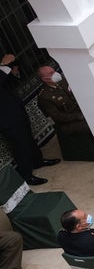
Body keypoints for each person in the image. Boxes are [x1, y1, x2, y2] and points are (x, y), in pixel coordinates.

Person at [0, 53, 57, 185]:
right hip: (6, 118)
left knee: (28, 138)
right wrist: (3, 65)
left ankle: (38, 161)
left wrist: (12, 69)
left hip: (16, 110)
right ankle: (26, 175)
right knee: (20, 145)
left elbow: (10, 81)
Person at [36, 65, 91, 137]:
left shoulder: (62, 81)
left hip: (79, 112)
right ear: (45, 79)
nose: (55, 74)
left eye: (54, 71)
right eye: (51, 73)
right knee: (91, 125)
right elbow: (57, 116)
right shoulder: (44, 97)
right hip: (67, 123)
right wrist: (77, 116)